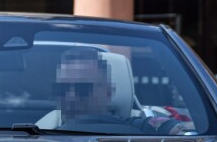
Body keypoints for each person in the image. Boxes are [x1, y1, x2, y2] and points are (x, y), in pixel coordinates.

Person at [50, 48, 194, 134]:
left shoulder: (141, 127)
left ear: (108, 93)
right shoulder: (38, 135)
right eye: (63, 89)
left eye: (83, 89)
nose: (71, 96)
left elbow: (187, 132)